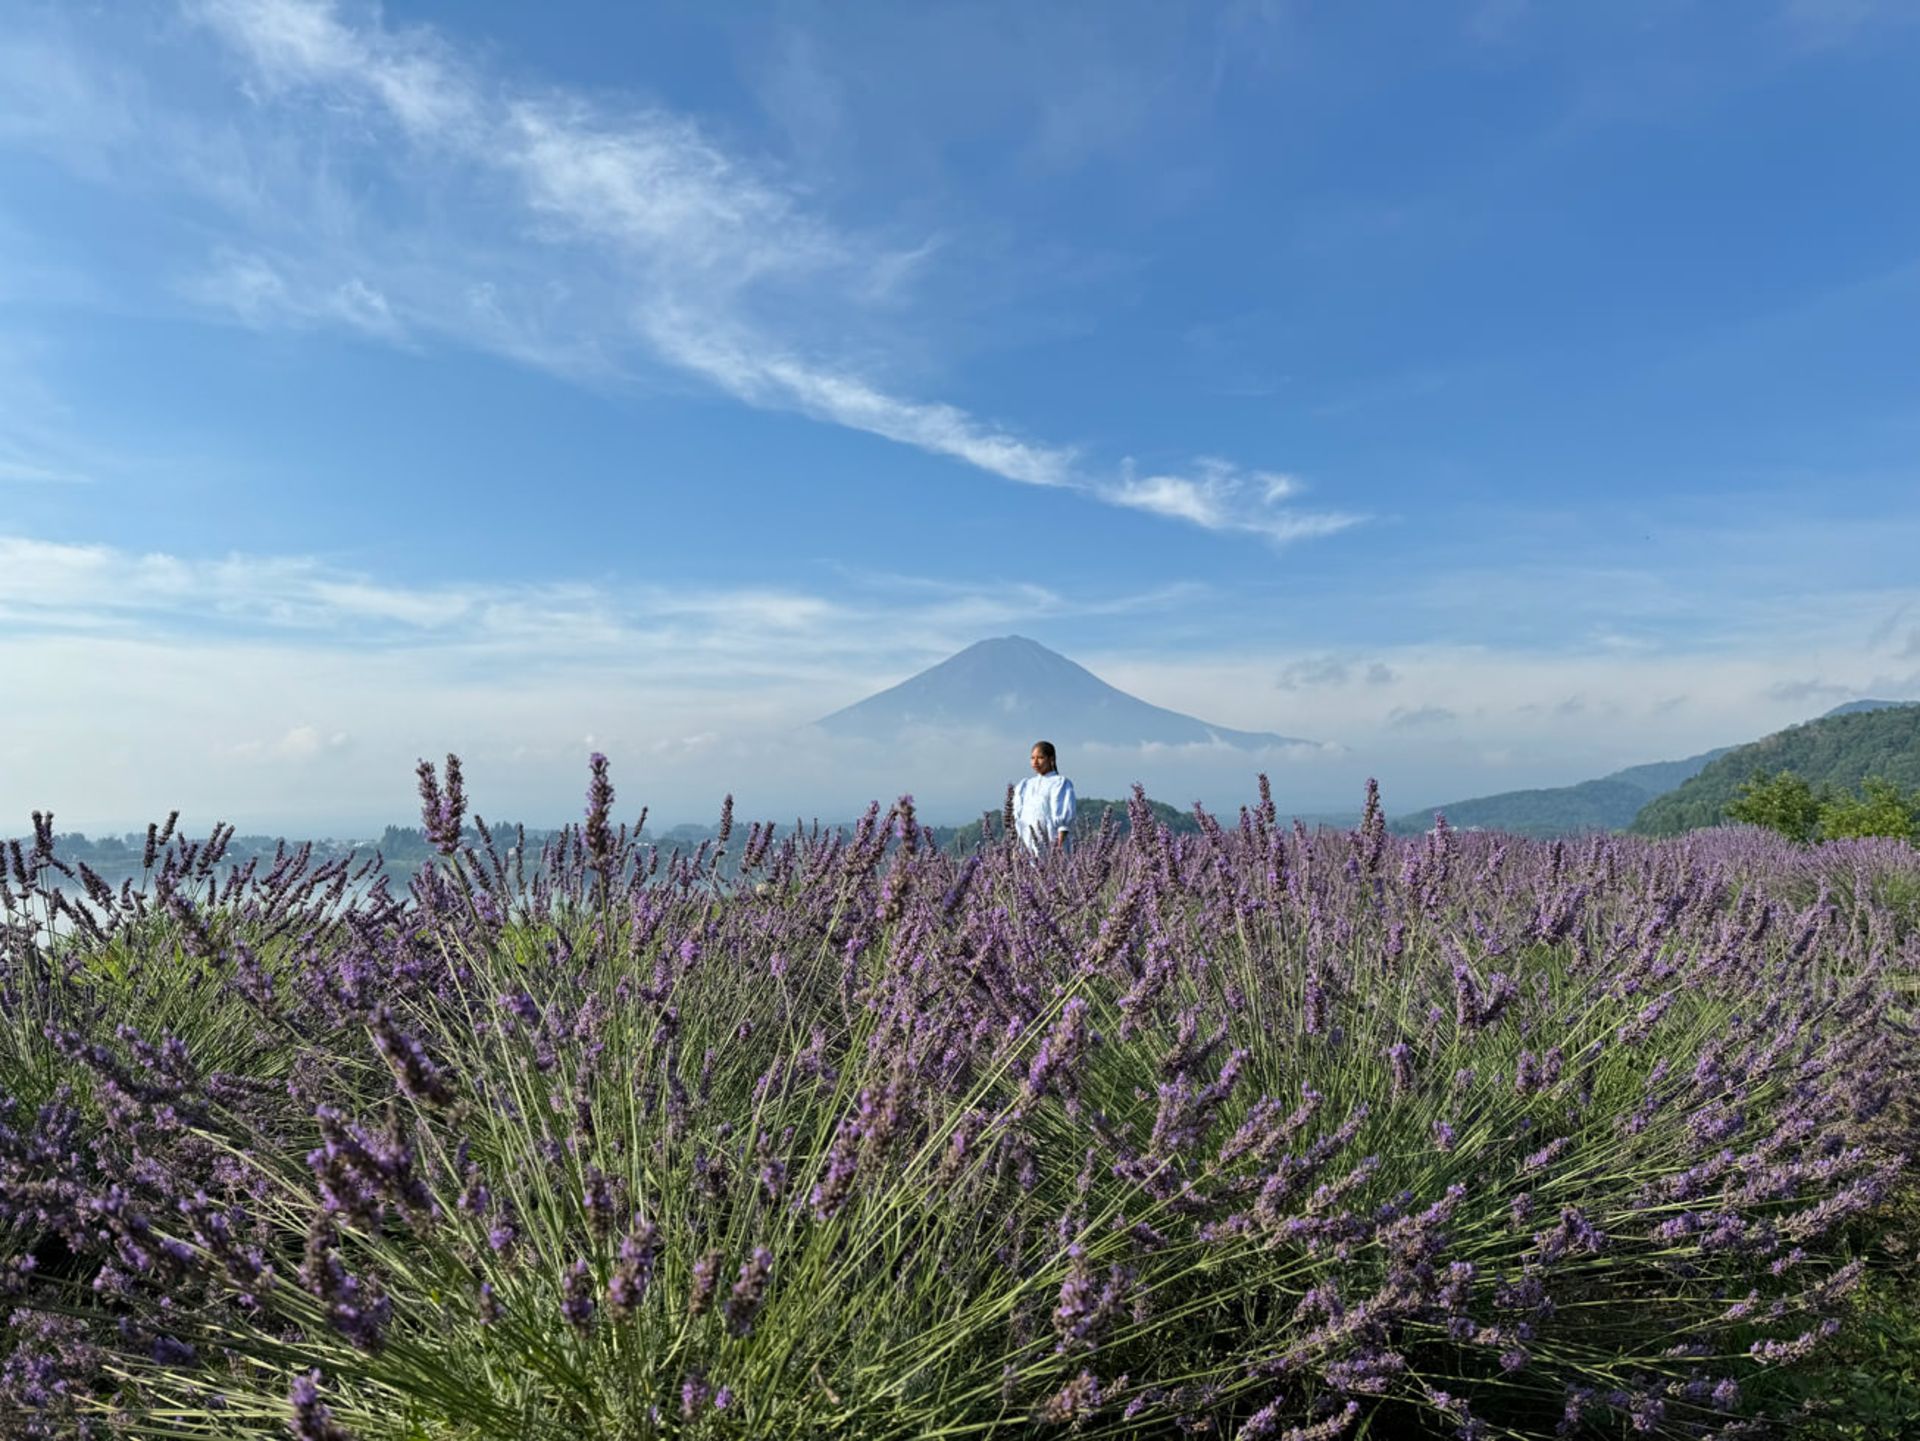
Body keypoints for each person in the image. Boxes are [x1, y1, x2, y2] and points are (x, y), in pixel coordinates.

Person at [1012, 740, 1075, 857]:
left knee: (1050, 870)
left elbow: (1062, 812)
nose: (1035, 762)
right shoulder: (1026, 784)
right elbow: (1019, 817)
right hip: (1027, 839)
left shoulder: (1059, 782)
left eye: (1040, 758)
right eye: (1032, 758)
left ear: (1051, 759)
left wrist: (1060, 839)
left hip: (1049, 837)